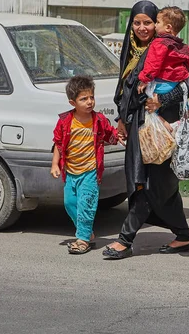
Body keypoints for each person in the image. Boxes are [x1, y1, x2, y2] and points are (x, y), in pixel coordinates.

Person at [102, 0, 189, 260]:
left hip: (162, 127)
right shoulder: (132, 53)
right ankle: (184, 235)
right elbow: (125, 92)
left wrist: (162, 100)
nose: (142, 28)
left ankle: (124, 240)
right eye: (137, 22)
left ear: (158, 24)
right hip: (138, 128)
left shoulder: (166, 49)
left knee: (150, 185)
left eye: (148, 22)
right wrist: (122, 120)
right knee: (157, 186)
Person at [51, 75, 124, 255]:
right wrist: (55, 164)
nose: (89, 102)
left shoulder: (98, 120)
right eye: (84, 99)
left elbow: (110, 134)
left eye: (91, 97)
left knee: (86, 204)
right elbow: (58, 144)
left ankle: (82, 240)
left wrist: (120, 137)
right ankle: (86, 232)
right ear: (72, 102)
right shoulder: (65, 121)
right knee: (69, 203)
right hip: (71, 172)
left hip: (90, 171)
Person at [136, 6, 189, 97]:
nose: (155, 25)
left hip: (161, 84)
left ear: (168, 27)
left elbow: (153, 64)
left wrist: (144, 80)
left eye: (158, 22)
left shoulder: (159, 43)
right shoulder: (185, 47)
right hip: (178, 84)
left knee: (151, 108)